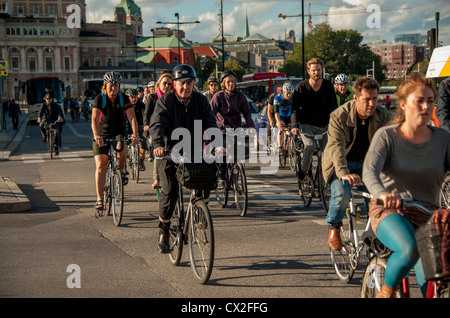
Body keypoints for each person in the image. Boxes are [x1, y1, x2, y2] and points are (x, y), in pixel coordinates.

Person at [363, 72, 450, 298]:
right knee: (409, 249)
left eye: (430, 101)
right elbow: (369, 173)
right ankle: (386, 291)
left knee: (435, 284)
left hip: (428, 215)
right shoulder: (387, 136)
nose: (425, 107)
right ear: (403, 104)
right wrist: (382, 193)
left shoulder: (443, 139)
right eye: (419, 101)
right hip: (391, 210)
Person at [150, 64, 217, 253]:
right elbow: (157, 124)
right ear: (174, 84)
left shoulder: (200, 100)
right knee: (170, 191)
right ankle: (164, 229)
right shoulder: (166, 101)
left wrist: (216, 141)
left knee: (206, 177)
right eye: (181, 83)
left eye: (189, 83)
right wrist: (158, 145)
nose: (185, 87)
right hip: (168, 152)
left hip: (192, 150)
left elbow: (210, 121)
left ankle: (198, 208)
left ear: (194, 84)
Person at [322, 77, 391, 251]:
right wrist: (344, 172)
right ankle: (334, 226)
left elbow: (396, 134)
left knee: (380, 197)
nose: (371, 104)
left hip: (366, 165)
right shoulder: (339, 116)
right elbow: (336, 147)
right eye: (366, 99)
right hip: (339, 164)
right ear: (355, 98)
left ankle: (375, 233)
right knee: (342, 195)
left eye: (374, 98)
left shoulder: (382, 115)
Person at [91, 71, 139, 210]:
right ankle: (100, 199)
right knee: (101, 163)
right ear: (105, 85)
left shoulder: (123, 98)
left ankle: (121, 171)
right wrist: (96, 135)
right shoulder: (100, 98)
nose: (113, 89)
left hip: (119, 132)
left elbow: (132, 117)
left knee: (122, 148)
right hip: (101, 133)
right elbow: (94, 118)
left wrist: (135, 134)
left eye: (116, 86)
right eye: (111, 86)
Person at [291, 57, 338, 181]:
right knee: (310, 146)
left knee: (328, 151)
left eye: (318, 70)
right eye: (313, 70)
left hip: (325, 125)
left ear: (322, 70)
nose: (316, 73)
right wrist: (294, 126)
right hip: (307, 125)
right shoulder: (301, 87)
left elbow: (333, 107)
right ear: (309, 71)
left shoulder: (328, 86)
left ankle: (325, 180)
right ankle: (304, 170)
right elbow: (294, 109)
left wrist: (336, 124)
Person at [210, 70, 255, 186]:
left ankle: (237, 172)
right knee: (223, 151)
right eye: (228, 82)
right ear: (223, 83)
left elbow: (247, 113)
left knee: (239, 153)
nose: (231, 84)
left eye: (233, 82)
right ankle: (221, 177)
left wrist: (251, 127)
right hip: (222, 129)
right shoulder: (218, 96)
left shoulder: (240, 96)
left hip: (236, 129)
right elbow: (210, 113)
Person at [144, 73, 173, 189]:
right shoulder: (153, 97)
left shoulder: (172, 98)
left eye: (169, 84)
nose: (167, 86)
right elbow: (147, 113)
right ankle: (157, 179)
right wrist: (147, 125)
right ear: (159, 84)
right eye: (164, 83)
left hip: (170, 129)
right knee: (159, 151)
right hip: (155, 128)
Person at [125, 88, 147, 171]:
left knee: (144, 142)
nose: (133, 99)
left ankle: (141, 160)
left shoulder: (141, 105)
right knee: (124, 144)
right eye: (131, 97)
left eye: (135, 97)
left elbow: (145, 117)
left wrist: (145, 125)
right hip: (127, 128)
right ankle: (126, 158)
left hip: (139, 128)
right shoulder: (124, 106)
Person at [274, 82, 295, 151]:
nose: (289, 95)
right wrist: (278, 122)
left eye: (290, 93)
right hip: (281, 116)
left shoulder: (293, 97)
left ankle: (291, 147)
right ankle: (280, 147)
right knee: (281, 129)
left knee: (293, 130)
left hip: (289, 116)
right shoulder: (277, 98)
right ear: (283, 92)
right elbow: (276, 112)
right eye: (287, 93)